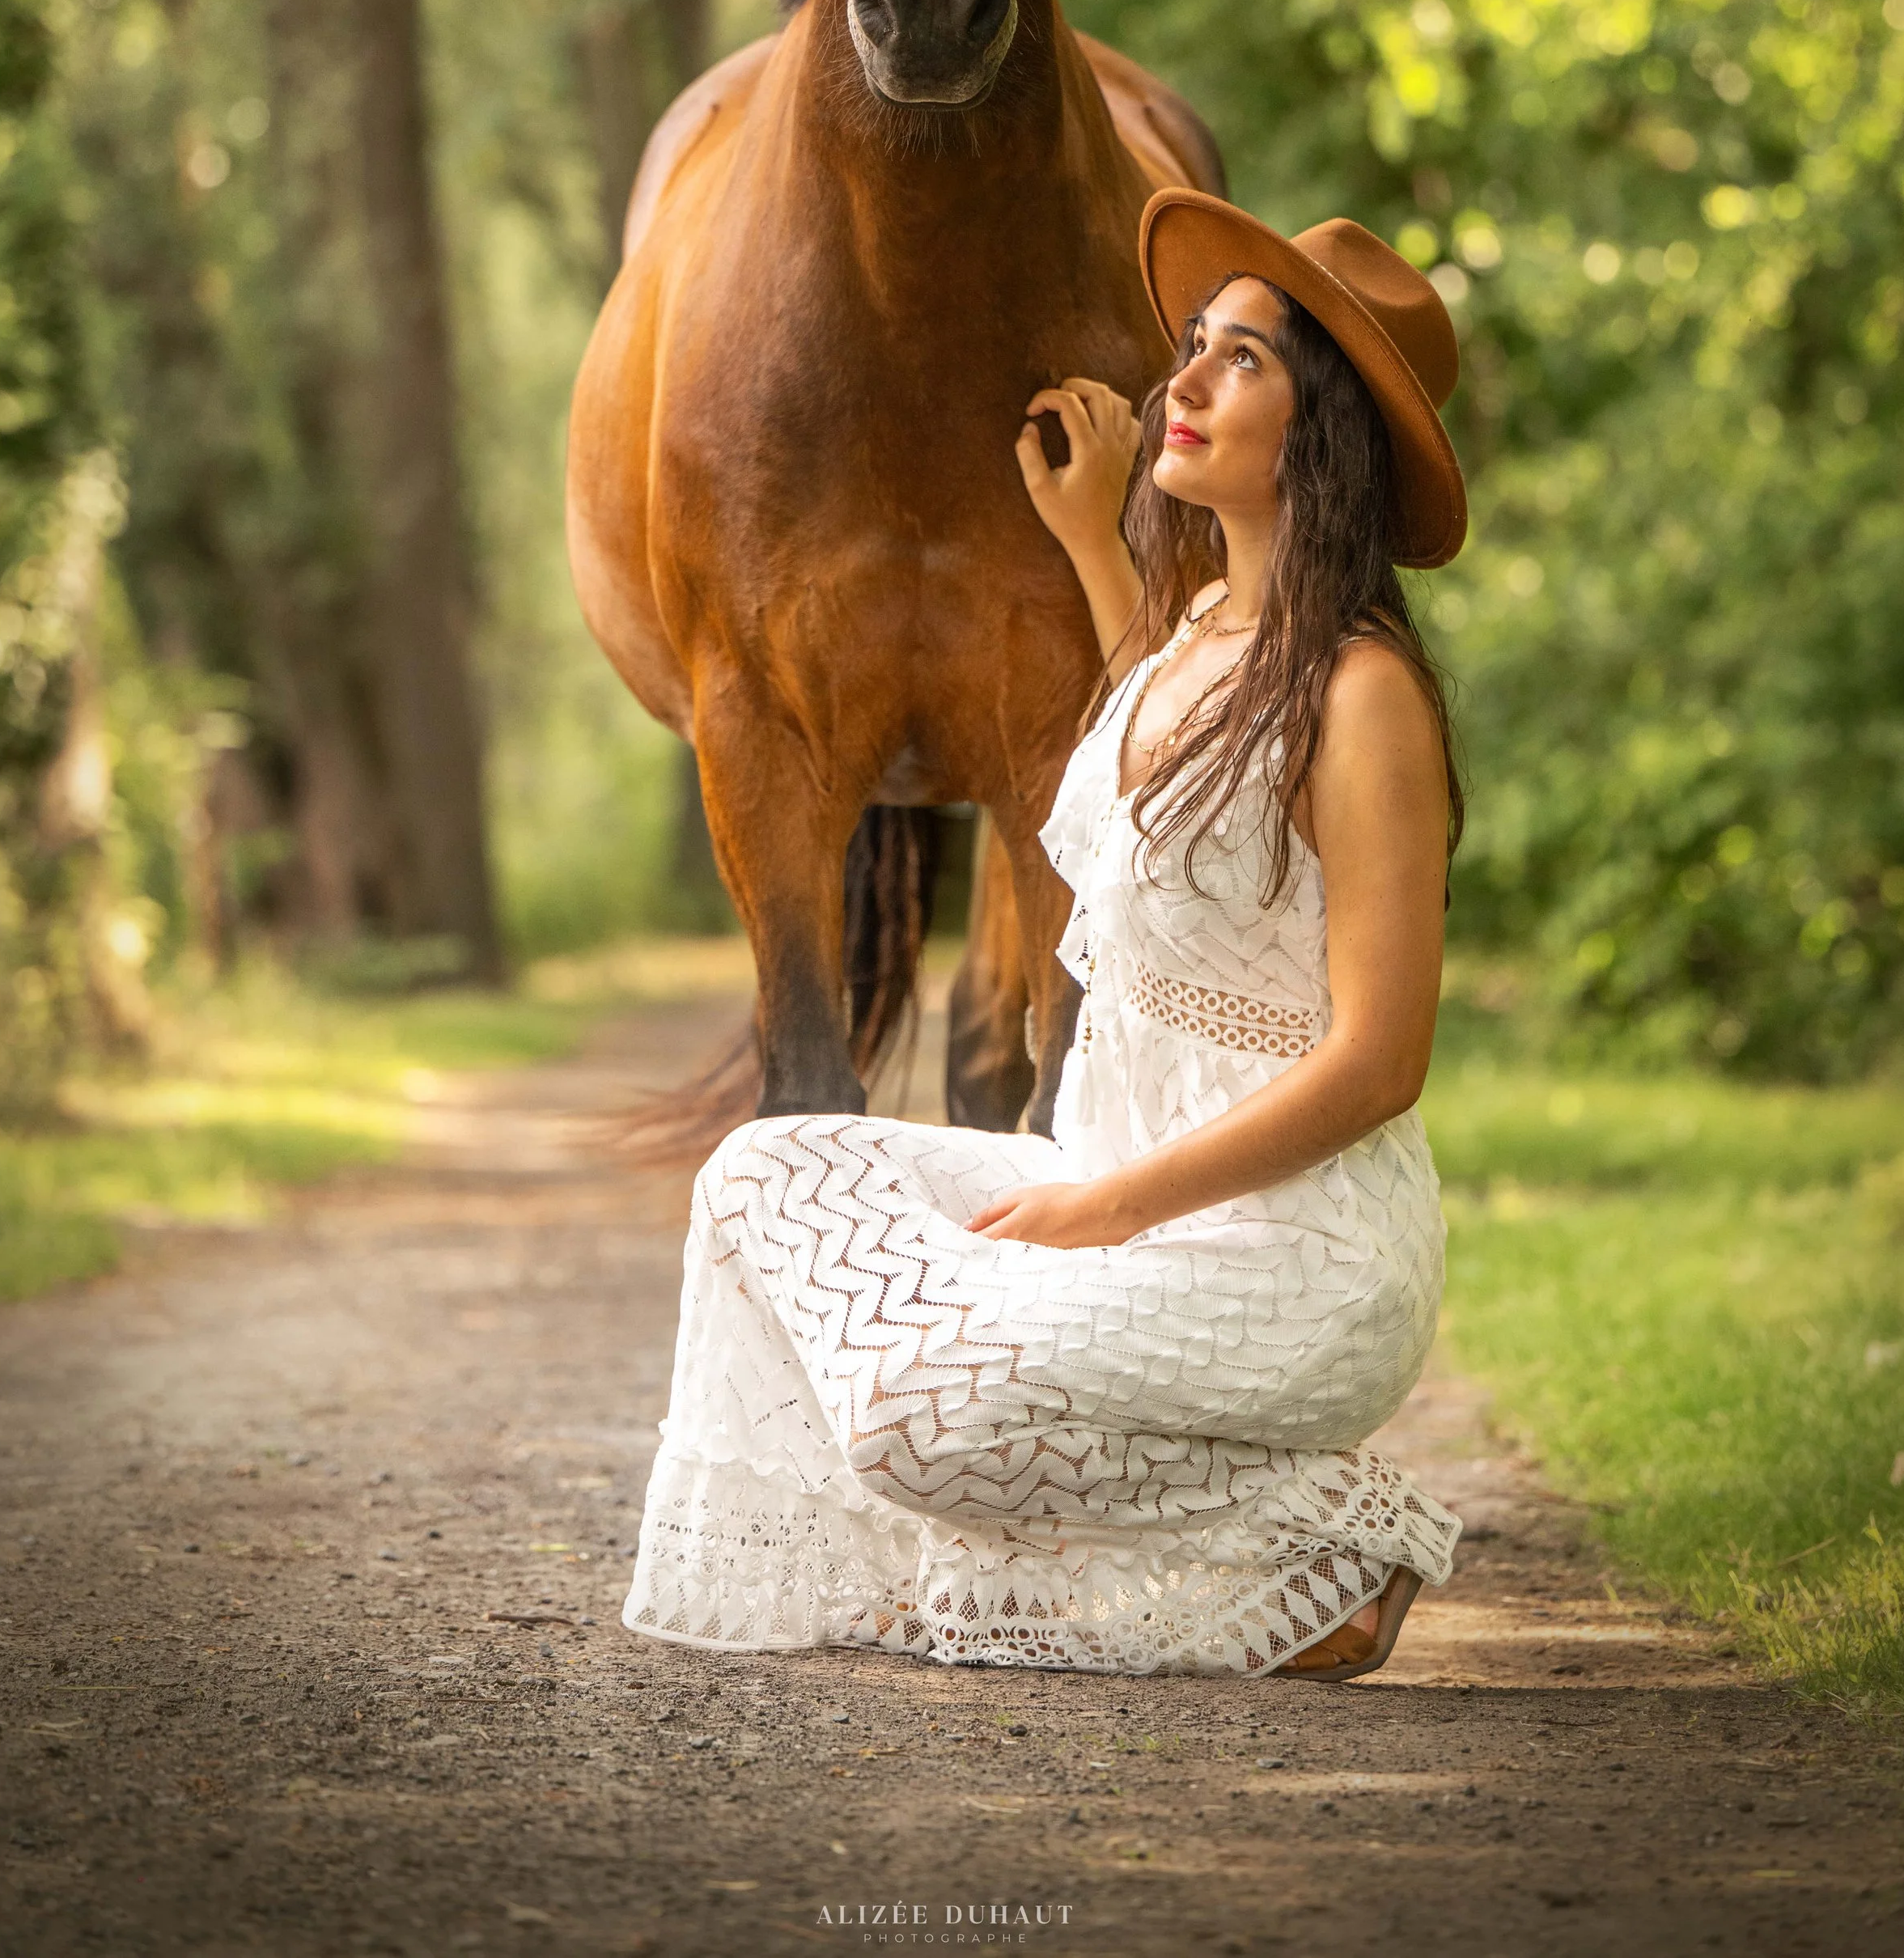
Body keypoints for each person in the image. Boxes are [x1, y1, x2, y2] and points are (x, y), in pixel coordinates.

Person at [622, 189, 1467, 1680]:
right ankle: (1051, 1542)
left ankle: (1326, 1538)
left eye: (1244, 360)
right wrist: (1090, 536)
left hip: (1296, 1254)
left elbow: (1381, 1059)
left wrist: (1113, 1209)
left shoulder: (1365, 698)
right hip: (1107, 1176)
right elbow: (1169, 779)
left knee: (914, 1414)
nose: (1184, 381)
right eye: (1193, 342)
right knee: (758, 1177)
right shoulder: (1194, 634)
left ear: (1324, 429)